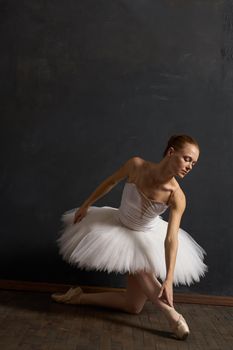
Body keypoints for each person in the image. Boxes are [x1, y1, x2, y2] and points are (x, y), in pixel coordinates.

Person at [51, 134, 207, 340]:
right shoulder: (136, 165)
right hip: (119, 225)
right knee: (141, 269)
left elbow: (171, 239)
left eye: (193, 163)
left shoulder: (177, 196)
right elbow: (111, 182)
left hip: (146, 234)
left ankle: (78, 298)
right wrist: (87, 204)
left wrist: (168, 279)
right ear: (171, 152)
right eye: (187, 159)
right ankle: (173, 315)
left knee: (132, 306)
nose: (190, 166)